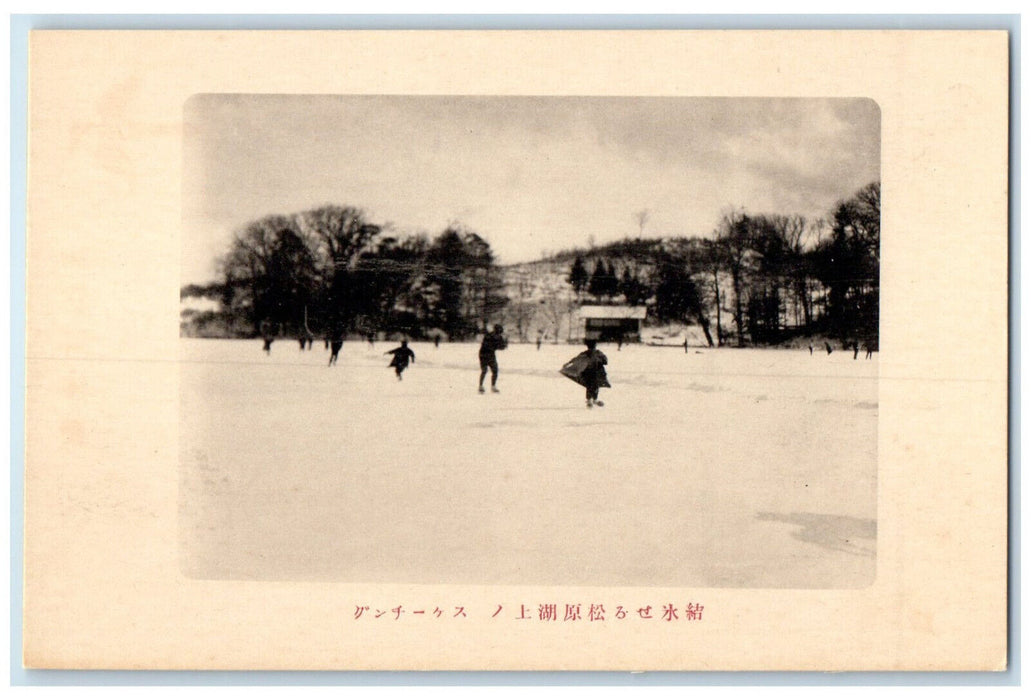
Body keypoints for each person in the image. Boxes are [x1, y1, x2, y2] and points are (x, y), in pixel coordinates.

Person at [561, 339, 610, 408]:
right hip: (597, 372)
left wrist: (568, 363)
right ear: (595, 346)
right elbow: (605, 361)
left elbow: (576, 359)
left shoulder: (585, 353)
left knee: (590, 385)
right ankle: (593, 399)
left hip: (588, 371)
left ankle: (590, 400)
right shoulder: (599, 353)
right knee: (595, 385)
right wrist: (600, 360)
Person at [478, 324, 508, 394]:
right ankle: (482, 386)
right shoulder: (489, 336)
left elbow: (501, 347)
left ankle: (490, 386)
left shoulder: (495, 336)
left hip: (489, 354)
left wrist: (504, 344)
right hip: (484, 354)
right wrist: (500, 345)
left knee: (493, 371)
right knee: (486, 370)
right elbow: (490, 346)